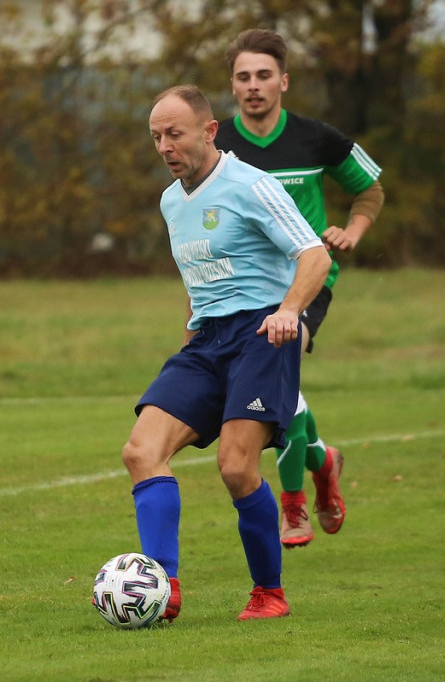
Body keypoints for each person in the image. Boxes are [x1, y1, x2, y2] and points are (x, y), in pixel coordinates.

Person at [124, 84, 331, 622]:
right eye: (156, 137)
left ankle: (269, 593)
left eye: (175, 134)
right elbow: (197, 283)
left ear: (209, 131)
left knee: (237, 468)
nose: (165, 146)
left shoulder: (250, 185)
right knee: (141, 452)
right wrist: (191, 338)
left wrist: (290, 311)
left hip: (263, 335)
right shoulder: (171, 201)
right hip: (206, 341)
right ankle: (162, 588)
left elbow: (313, 253)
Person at [215, 29, 385, 548]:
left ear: (283, 81)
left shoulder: (316, 137)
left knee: (279, 356)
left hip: (306, 281)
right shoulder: (216, 141)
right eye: (243, 77)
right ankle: (320, 459)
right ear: (233, 85)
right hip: (243, 289)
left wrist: (350, 233)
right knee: (275, 389)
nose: (254, 86)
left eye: (264, 75)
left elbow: (369, 188)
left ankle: (292, 507)